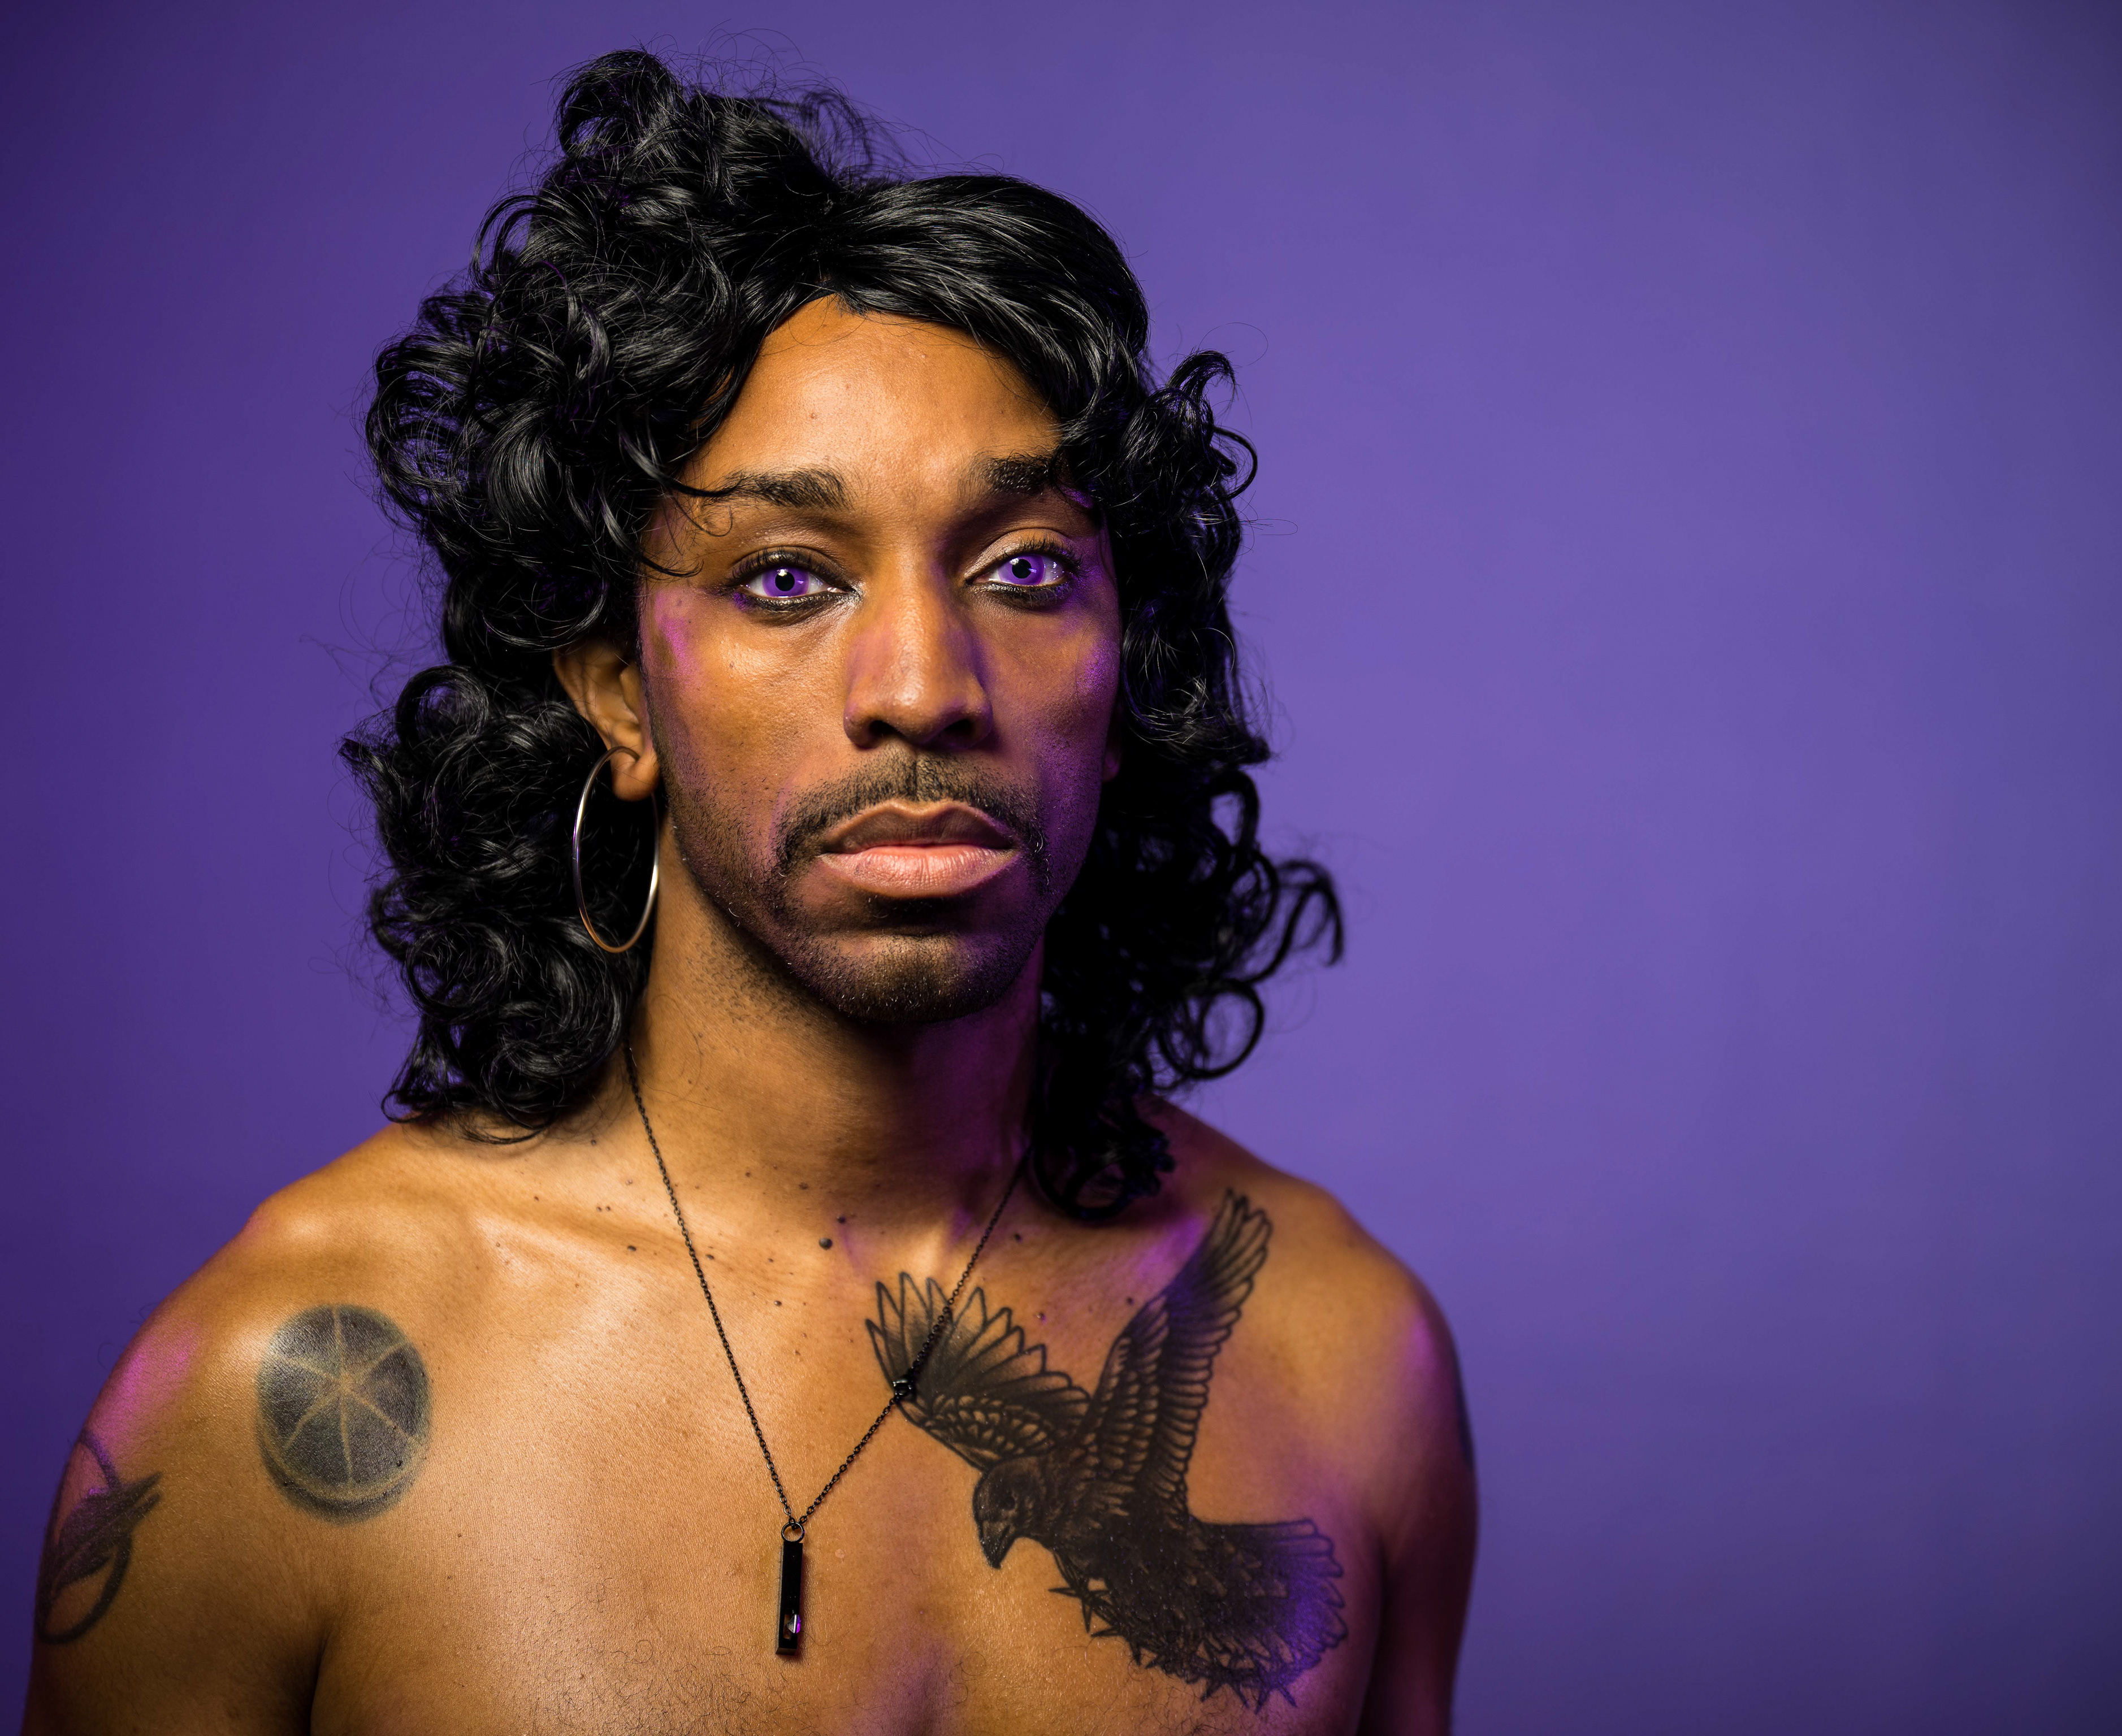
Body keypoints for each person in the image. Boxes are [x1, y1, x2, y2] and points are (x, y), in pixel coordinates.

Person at [25, 50, 1475, 1734]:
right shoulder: (289, 1390)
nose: (923, 687)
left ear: (1120, 664)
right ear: (619, 693)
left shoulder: (1345, 1357)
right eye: (787, 579)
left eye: (1024, 570)